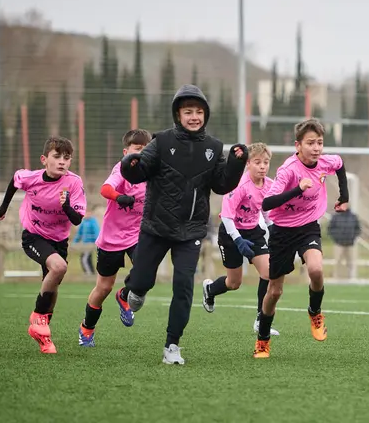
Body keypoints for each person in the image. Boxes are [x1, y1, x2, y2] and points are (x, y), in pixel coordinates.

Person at [114, 84, 248, 365]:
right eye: (188, 111)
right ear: (178, 114)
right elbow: (140, 171)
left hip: (191, 231)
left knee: (184, 286)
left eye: (199, 112)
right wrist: (131, 165)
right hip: (156, 226)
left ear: (205, 115)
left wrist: (237, 164)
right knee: (141, 281)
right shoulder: (161, 142)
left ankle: (172, 345)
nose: (194, 116)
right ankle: (132, 291)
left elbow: (222, 184)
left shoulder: (213, 147)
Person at [254, 118, 349, 359]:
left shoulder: (325, 162)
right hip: (282, 231)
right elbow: (267, 203)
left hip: (308, 227)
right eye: (310, 143)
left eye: (319, 142)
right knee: (274, 292)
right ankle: (263, 339)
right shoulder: (288, 170)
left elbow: (339, 165)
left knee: (316, 270)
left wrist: (343, 197)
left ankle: (315, 311)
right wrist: (297, 189)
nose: (317, 148)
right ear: (298, 145)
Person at [0, 137, 87, 353]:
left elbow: (77, 219)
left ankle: (44, 335)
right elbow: (15, 180)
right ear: (44, 160)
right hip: (34, 236)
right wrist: (3, 208)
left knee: (52, 286)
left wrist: (66, 206)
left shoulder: (74, 183)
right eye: (57, 157)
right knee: (59, 267)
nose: (62, 161)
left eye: (67, 158)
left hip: (59, 241)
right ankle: (37, 318)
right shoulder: (32, 178)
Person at [78, 129, 151, 347]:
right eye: (138, 150)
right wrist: (120, 197)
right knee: (103, 288)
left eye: (146, 150)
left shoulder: (152, 172)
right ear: (126, 152)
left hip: (138, 235)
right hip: (111, 238)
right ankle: (87, 328)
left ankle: (125, 294)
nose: (142, 154)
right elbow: (105, 188)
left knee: (146, 271)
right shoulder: (122, 168)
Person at [201, 142, 280, 336]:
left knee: (269, 273)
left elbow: (266, 209)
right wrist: (238, 241)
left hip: (253, 232)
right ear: (248, 164)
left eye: (266, 162)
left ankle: (261, 319)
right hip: (230, 234)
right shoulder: (239, 185)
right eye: (257, 162)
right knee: (234, 283)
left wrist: (273, 230)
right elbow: (226, 217)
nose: (262, 166)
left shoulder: (269, 185)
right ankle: (210, 289)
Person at [327, 207, 361, 279]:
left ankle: (350, 277)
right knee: (337, 261)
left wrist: (352, 237)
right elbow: (330, 229)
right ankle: (336, 277)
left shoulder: (353, 217)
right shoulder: (336, 217)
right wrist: (337, 238)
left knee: (350, 261)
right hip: (339, 244)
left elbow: (358, 229)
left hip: (350, 244)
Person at [74, 206, 99, 275]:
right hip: (85, 244)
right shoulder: (84, 222)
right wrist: (75, 242)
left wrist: (97, 242)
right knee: (86, 258)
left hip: (91, 243)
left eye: (88, 213)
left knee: (85, 259)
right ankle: (90, 272)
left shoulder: (93, 221)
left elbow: (96, 232)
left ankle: (89, 273)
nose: (87, 214)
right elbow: (79, 233)